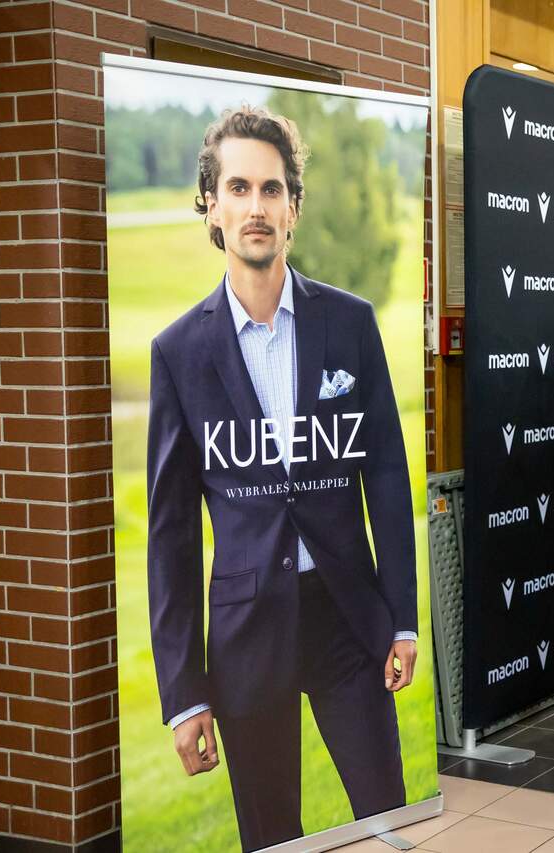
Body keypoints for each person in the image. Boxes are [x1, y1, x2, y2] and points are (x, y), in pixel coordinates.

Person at [147, 107, 416, 851]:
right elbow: (170, 538)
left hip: (345, 616)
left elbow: (386, 476)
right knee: (271, 838)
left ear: (294, 206)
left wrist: (401, 617)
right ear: (213, 205)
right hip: (247, 633)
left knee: (390, 821)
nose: (256, 206)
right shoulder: (178, 352)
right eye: (238, 188)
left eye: (272, 189)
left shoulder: (350, 324)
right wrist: (184, 694)